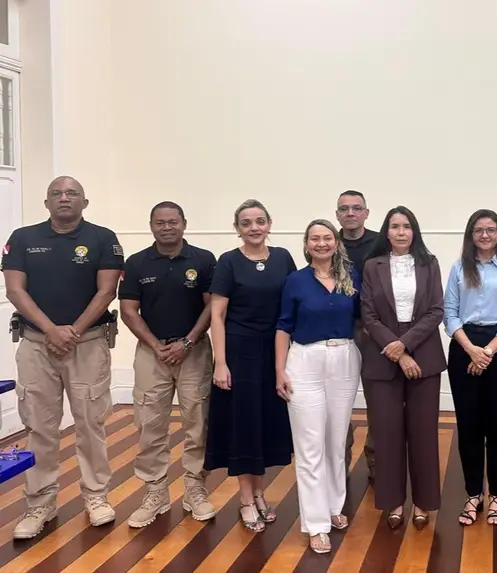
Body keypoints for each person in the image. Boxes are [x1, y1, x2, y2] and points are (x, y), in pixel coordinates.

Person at [2, 176, 123, 538]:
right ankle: (40, 503)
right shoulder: (23, 238)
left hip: (87, 344)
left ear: (85, 202)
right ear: (47, 203)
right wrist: (51, 330)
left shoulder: (103, 238)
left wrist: (72, 332)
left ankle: (96, 497)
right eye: (56, 193)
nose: (64, 198)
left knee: (91, 423)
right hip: (36, 345)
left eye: (72, 193)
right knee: (39, 426)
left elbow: (107, 291)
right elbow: (14, 290)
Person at [119, 201, 217, 527]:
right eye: (160, 223)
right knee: (149, 423)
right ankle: (156, 492)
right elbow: (129, 310)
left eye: (172, 222)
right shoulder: (136, 263)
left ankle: (195, 489)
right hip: (152, 353)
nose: (166, 227)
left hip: (194, 351)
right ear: (151, 226)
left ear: (184, 224)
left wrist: (187, 341)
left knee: (198, 422)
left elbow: (212, 307)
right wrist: (155, 345)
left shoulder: (203, 260)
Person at [204, 199, 296, 532]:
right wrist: (221, 363)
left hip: (274, 350)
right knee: (243, 427)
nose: (254, 228)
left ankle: (259, 493)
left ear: (269, 224)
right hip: (240, 353)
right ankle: (245, 499)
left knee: (263, 425)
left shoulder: (283, 258)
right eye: (246, 223)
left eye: (259, 221)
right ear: (237, 228)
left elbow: (293, 303)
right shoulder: (229, 262)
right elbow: (217, 315)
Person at [275, 219, 362, 554]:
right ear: (307, 244)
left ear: (336, 242)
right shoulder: (295, 281)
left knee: (336, 441)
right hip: (304, 362)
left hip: (344, 359)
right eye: (315, 239)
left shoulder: (351, 276)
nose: (322, 243)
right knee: (310, 445)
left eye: (327, 238)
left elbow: (362, 318)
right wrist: (280, 370)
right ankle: (316, 523)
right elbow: (283, 326)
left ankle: (334, 506)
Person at [360, 206, 446, 530]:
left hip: (424, 353)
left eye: (406, 226)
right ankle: (393, 501)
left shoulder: (429, 263)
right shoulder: (372, 266)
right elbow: (368, 316)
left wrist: (405, 345)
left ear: (414, 231)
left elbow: (436, 310)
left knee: (423, 434)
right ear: (386, 231)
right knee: (387, 434)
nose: (400, 232)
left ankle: (423, 503)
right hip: (382, 355)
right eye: (394, 226)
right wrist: (398, 352)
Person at [443, 209, 497, 526]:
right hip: (465, 346)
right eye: (479, 230)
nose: (485, 235)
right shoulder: (458, 268)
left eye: (491, 230)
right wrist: (471, 350)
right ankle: (473, 494)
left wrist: (487, 352)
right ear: (471, 234)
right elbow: (450, 314)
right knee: (469, 426)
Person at [335, 189, 379, 480]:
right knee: (339, 400)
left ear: (366, 213)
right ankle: (340, 461)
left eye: (356, 208)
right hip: (338, 330)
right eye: (344, 209)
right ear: (337, 214)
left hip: (374, 330)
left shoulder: (380, 243)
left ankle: (376, 461)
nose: (350, 213)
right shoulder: (328, 242)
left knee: (377, 398)